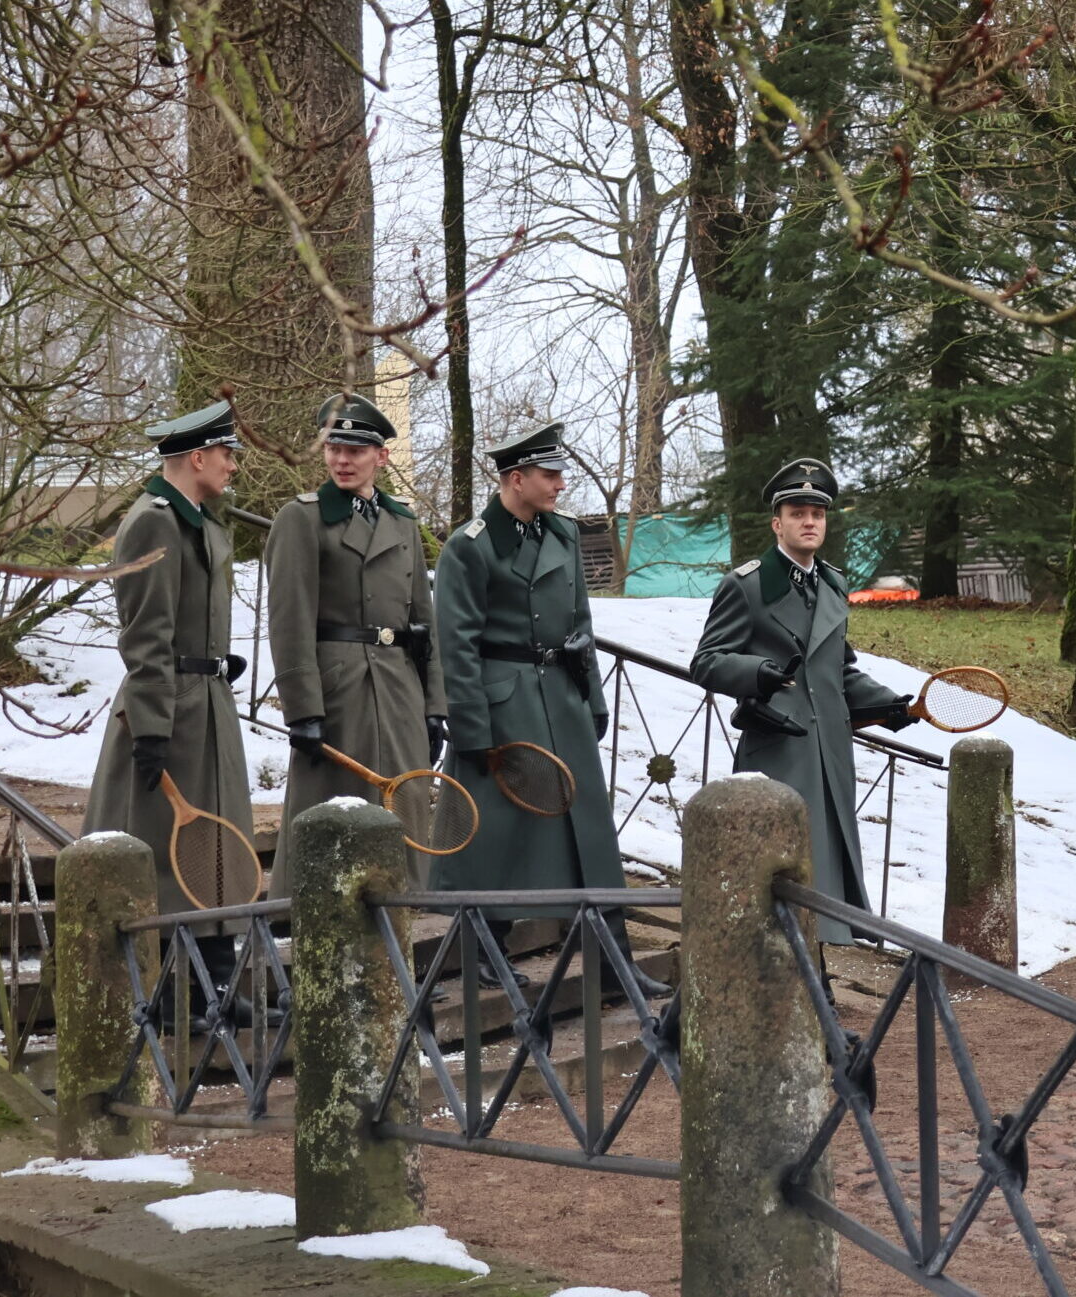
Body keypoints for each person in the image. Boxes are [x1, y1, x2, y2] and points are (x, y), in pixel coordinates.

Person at [431, 423, 665, 995]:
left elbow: (582, 626)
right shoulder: (471, 544)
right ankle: (484, 949)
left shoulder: (561, 535)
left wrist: (594, 695)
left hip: (561, 697)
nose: (561, 484)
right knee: (502, 833)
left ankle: (613, 960)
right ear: (516, 478)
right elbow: (455, 642)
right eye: (550, 474)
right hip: (503, 701)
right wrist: (469, 724)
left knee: (590, 830)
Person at [689, 458, 915, 945]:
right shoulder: (746, 585)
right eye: (798, 512)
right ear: (778, 523)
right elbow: (706, 662)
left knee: (824, 869)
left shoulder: (832, 583)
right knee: (778, 874)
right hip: (779, 748)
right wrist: (758, 675)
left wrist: (891, 705)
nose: (809, 521)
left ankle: (817, 984)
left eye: (818, 513)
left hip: (829, 751)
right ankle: (779, 988)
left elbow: (837, 669)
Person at [83, 401, 253, 1010]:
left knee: (214, 849)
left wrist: (214, 660)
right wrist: (152, 727)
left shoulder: (199, 520)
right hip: (171, 714)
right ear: (198, 456)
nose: (234, 466)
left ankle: (215, 982)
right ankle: (169, 994)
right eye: (228, 455)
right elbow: (145, 637)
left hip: (204, 704)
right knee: (162, 854)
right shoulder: (153, 521)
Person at [265, 393, 445, 896]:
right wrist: (302, 708)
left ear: (380, 457)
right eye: (334, 448)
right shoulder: (301, 519)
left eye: (356, 450)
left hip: (398, 686)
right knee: (332, 815)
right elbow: (289, 619)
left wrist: (434, 705)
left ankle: (401, 922)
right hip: (338, 690)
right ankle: (307, 920)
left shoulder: (403, 523)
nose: (342, 460)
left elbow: (423, 622)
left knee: (403, 813)